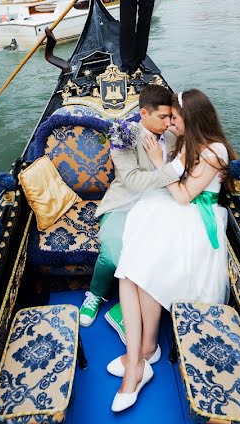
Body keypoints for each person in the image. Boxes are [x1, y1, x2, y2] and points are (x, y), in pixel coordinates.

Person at [110, 89, 236, 412]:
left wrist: (157, 163)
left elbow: (182, 196)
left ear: (190, 120)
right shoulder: (187, 144)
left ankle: (141, 356)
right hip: (180, 212)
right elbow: (175, 181)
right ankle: (141, 356)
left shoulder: (214, 150)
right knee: (128, 270)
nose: (170, 124)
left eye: (175, 119)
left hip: (196, 220)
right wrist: (165, 164)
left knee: (145, 266)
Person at [79, 85, 181, 330]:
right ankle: (95, 294)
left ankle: (134, 307)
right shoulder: (123, 135)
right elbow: (132, 181)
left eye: (171, 116)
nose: (168, 123)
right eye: (162, 117)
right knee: (113, 256)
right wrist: (171, 171)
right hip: (125, 204)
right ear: (144, 114)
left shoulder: (174, 134)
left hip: (162, 206)